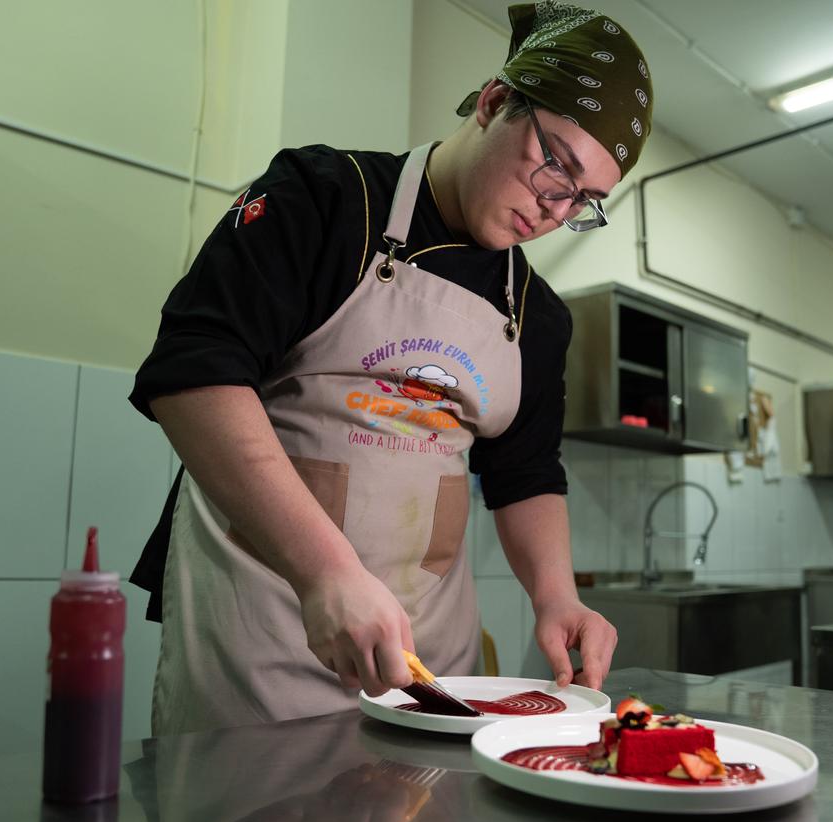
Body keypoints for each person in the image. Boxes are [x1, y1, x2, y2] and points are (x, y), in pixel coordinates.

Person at [128, 1, 655, 734]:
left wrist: (557, 597)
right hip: (261, 644)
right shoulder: (322, 200)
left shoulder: (537, 314)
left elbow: (525, 472)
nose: (555, 207)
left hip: (430, 676)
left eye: (584, 199)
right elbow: (192, 376)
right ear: (496, 101)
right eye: (555, 166)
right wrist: (326, 572)